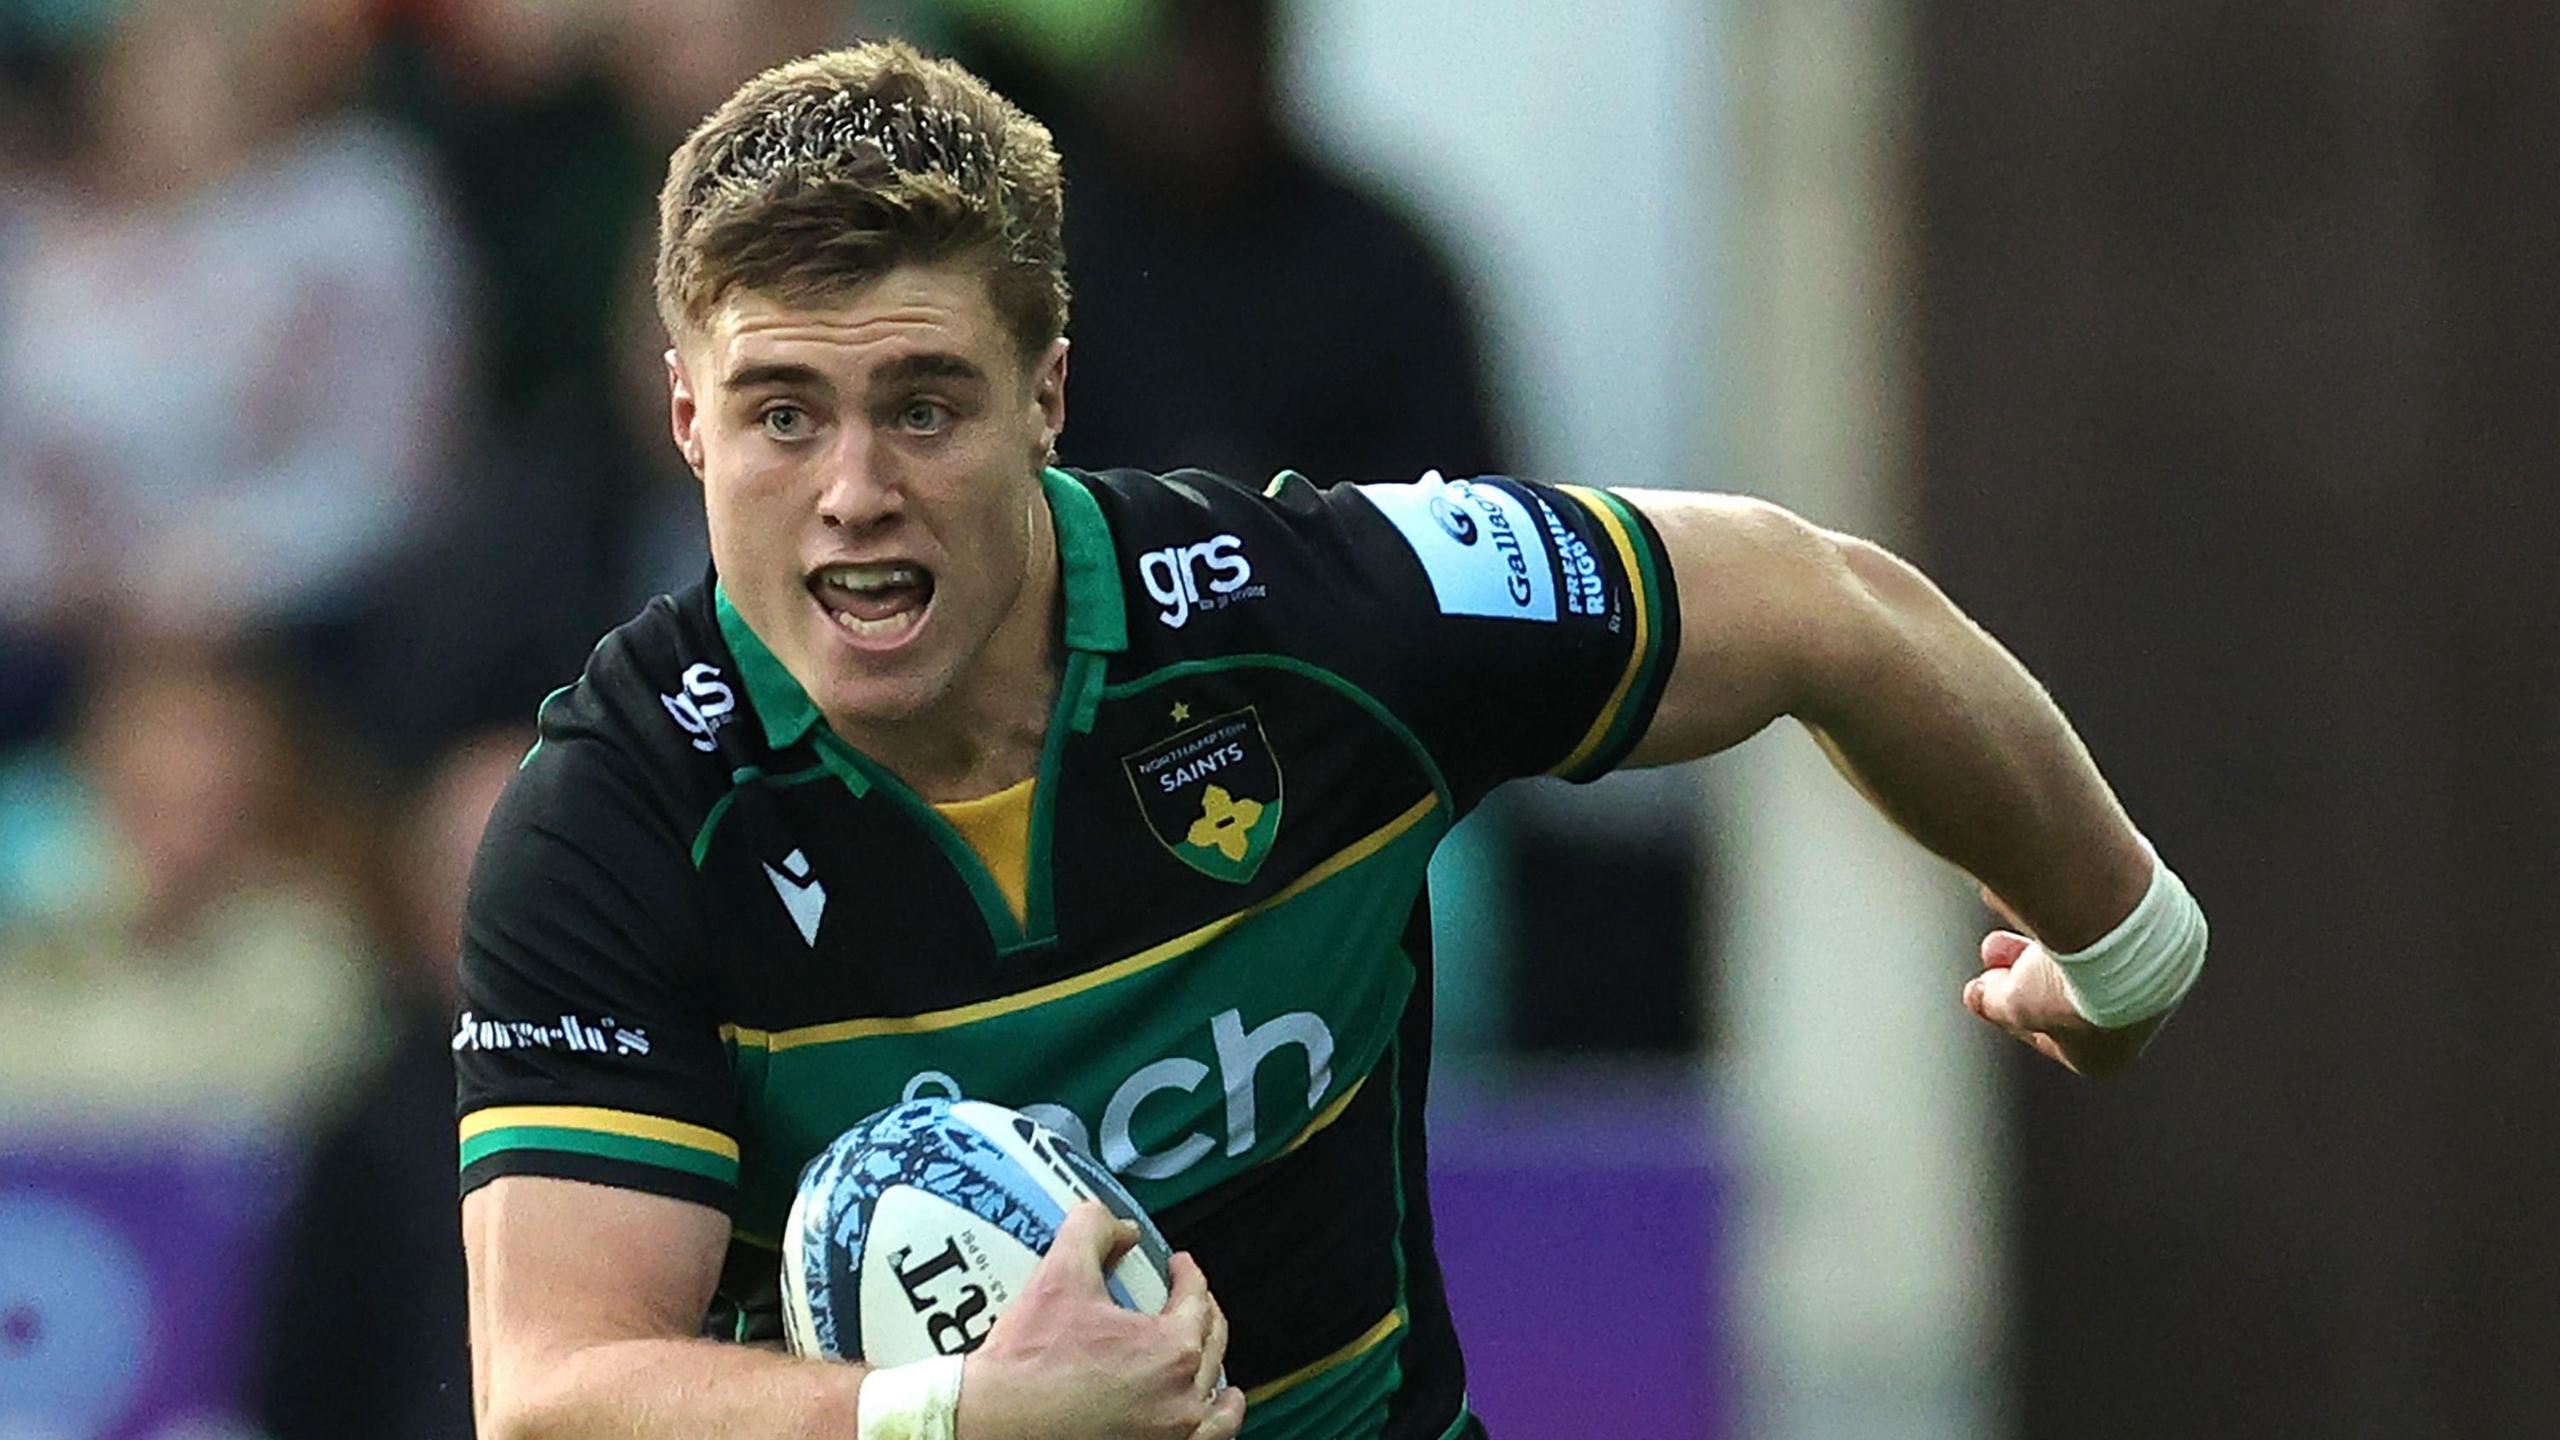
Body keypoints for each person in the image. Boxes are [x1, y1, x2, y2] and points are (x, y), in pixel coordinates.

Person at [455, 40, 2207, 1440]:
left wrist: (2122, 946)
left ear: (1048, 394)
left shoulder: (1308, 617)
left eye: (925, 404)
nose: (854, 493)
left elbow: (1820, 605)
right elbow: (552, 1390)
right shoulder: (615, 817)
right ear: (684, 416)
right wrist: (962, 1417)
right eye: (782, 416)